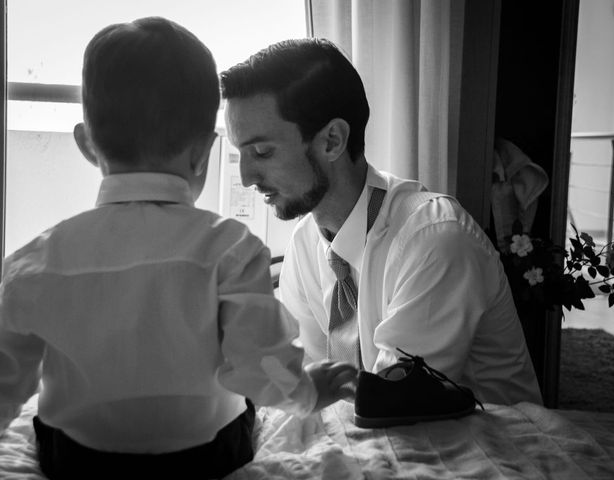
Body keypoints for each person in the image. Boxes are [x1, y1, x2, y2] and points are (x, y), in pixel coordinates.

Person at [0, 19, 356, 479]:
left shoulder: (33, 262)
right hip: (205, 456)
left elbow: (5, 382)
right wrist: (307, 392)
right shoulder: (231, 248)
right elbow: (260, 364)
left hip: (76, 460)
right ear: (203, 151)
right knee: (238, 400)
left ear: (87, 145)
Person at [220, 37, 543, 406]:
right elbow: (309, 381)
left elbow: (391, 403)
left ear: (332, 141)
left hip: (494, 443)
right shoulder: (305, 242)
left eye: (262, 152)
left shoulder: (436, 238)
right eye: (239, 154)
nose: (245, 177)